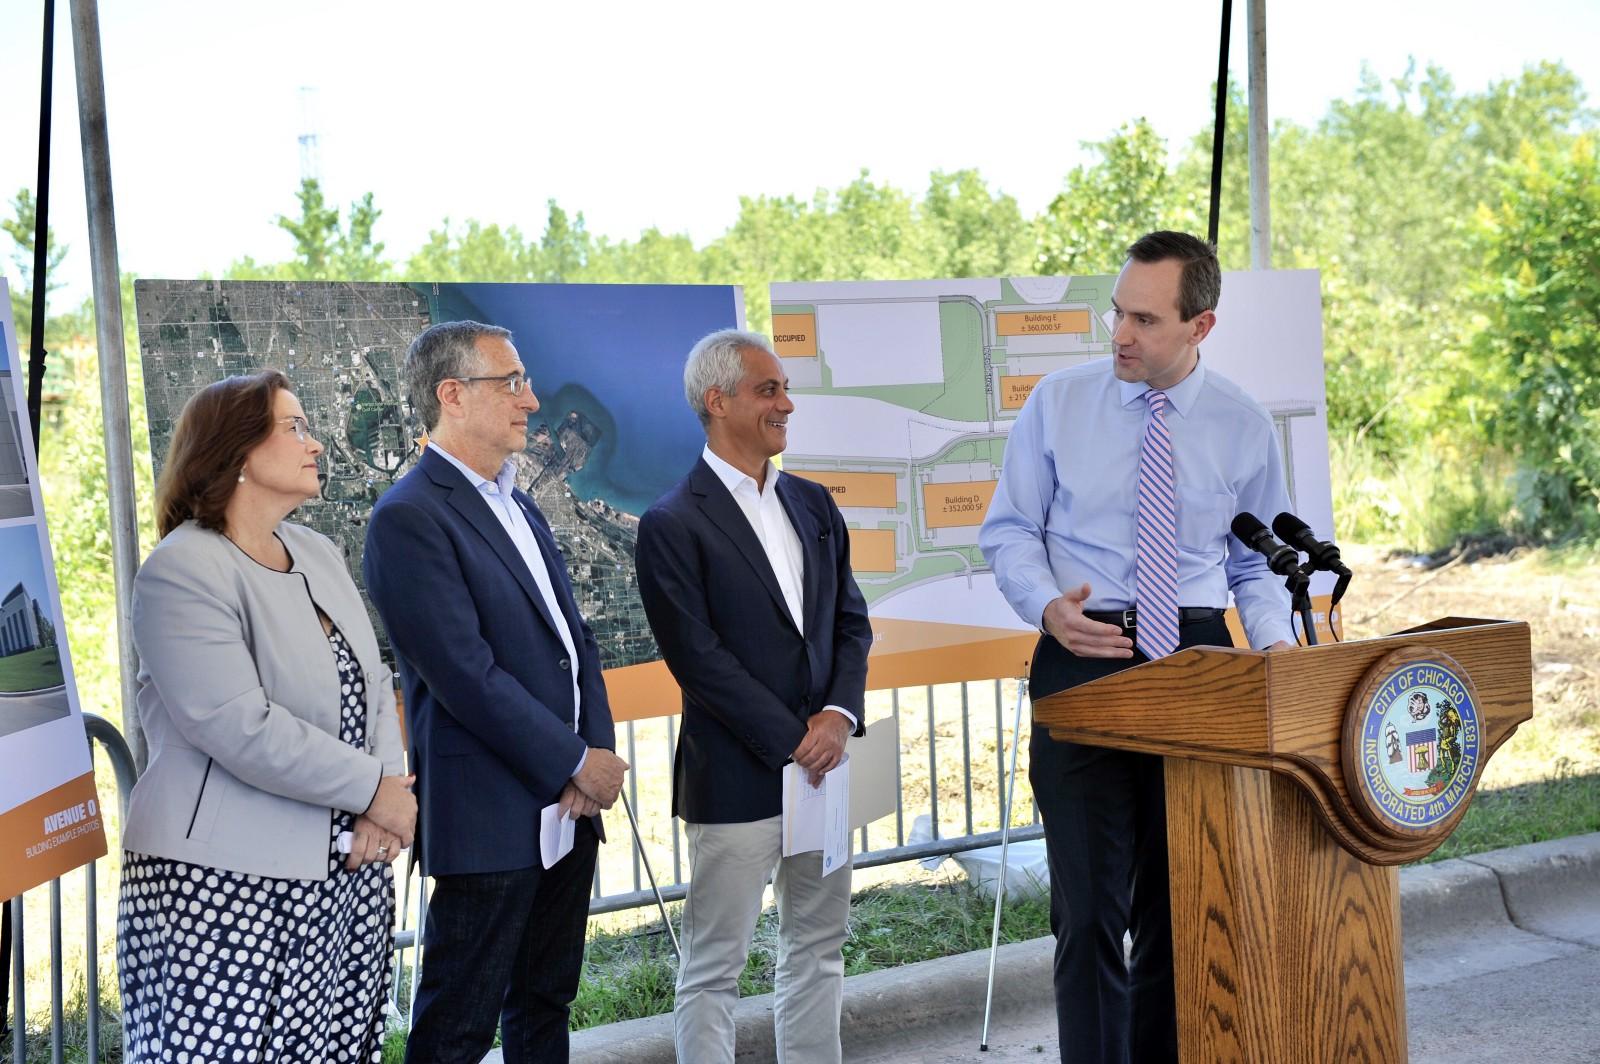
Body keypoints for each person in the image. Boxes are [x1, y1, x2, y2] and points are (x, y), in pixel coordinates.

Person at [979, 231, 1295, 1063]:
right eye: (1117, 310)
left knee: (1183, 909)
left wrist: (1277, 655)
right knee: (1087, 916)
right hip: (1082, 654)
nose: (1120, 333)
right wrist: (1048, 607)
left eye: (1145, 320)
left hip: (1198, 662)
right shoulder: (1058, 401)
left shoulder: (1242, 423)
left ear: (1202, 325)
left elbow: (1254, 567)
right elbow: (1010, 530)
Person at [117, 371, 416, 1063]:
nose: (314, 444)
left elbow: (371, 681)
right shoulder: (180, 570)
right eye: (294, 427)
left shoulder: (317, 551)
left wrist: (383, 802)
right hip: (226, 885)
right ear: (239, 453)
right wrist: (374, 791)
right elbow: (238, 725)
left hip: (346, 865)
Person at [363, 320, 626, 1064]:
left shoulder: (518, 503)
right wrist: (573, 760)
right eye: (511, 382)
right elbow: (465, 677)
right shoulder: (409, 516)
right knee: (457, 1030)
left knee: (544, 1006)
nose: (532, 400)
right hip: (491, 819)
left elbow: (575, 640)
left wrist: (594, 752)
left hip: (568, 808)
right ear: (453, 395)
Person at [635, 329, 873, 1064]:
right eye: (769, 390)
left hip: (824, 774)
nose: (787, 404)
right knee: (714, 970)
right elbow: (699, 660)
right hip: (737, 780)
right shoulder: (671, 524)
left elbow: (849, 620)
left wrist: (836, 717)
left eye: (784, 389)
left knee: (819, 946)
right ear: (718, 401)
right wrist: (795, 738)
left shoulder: (812, 504)